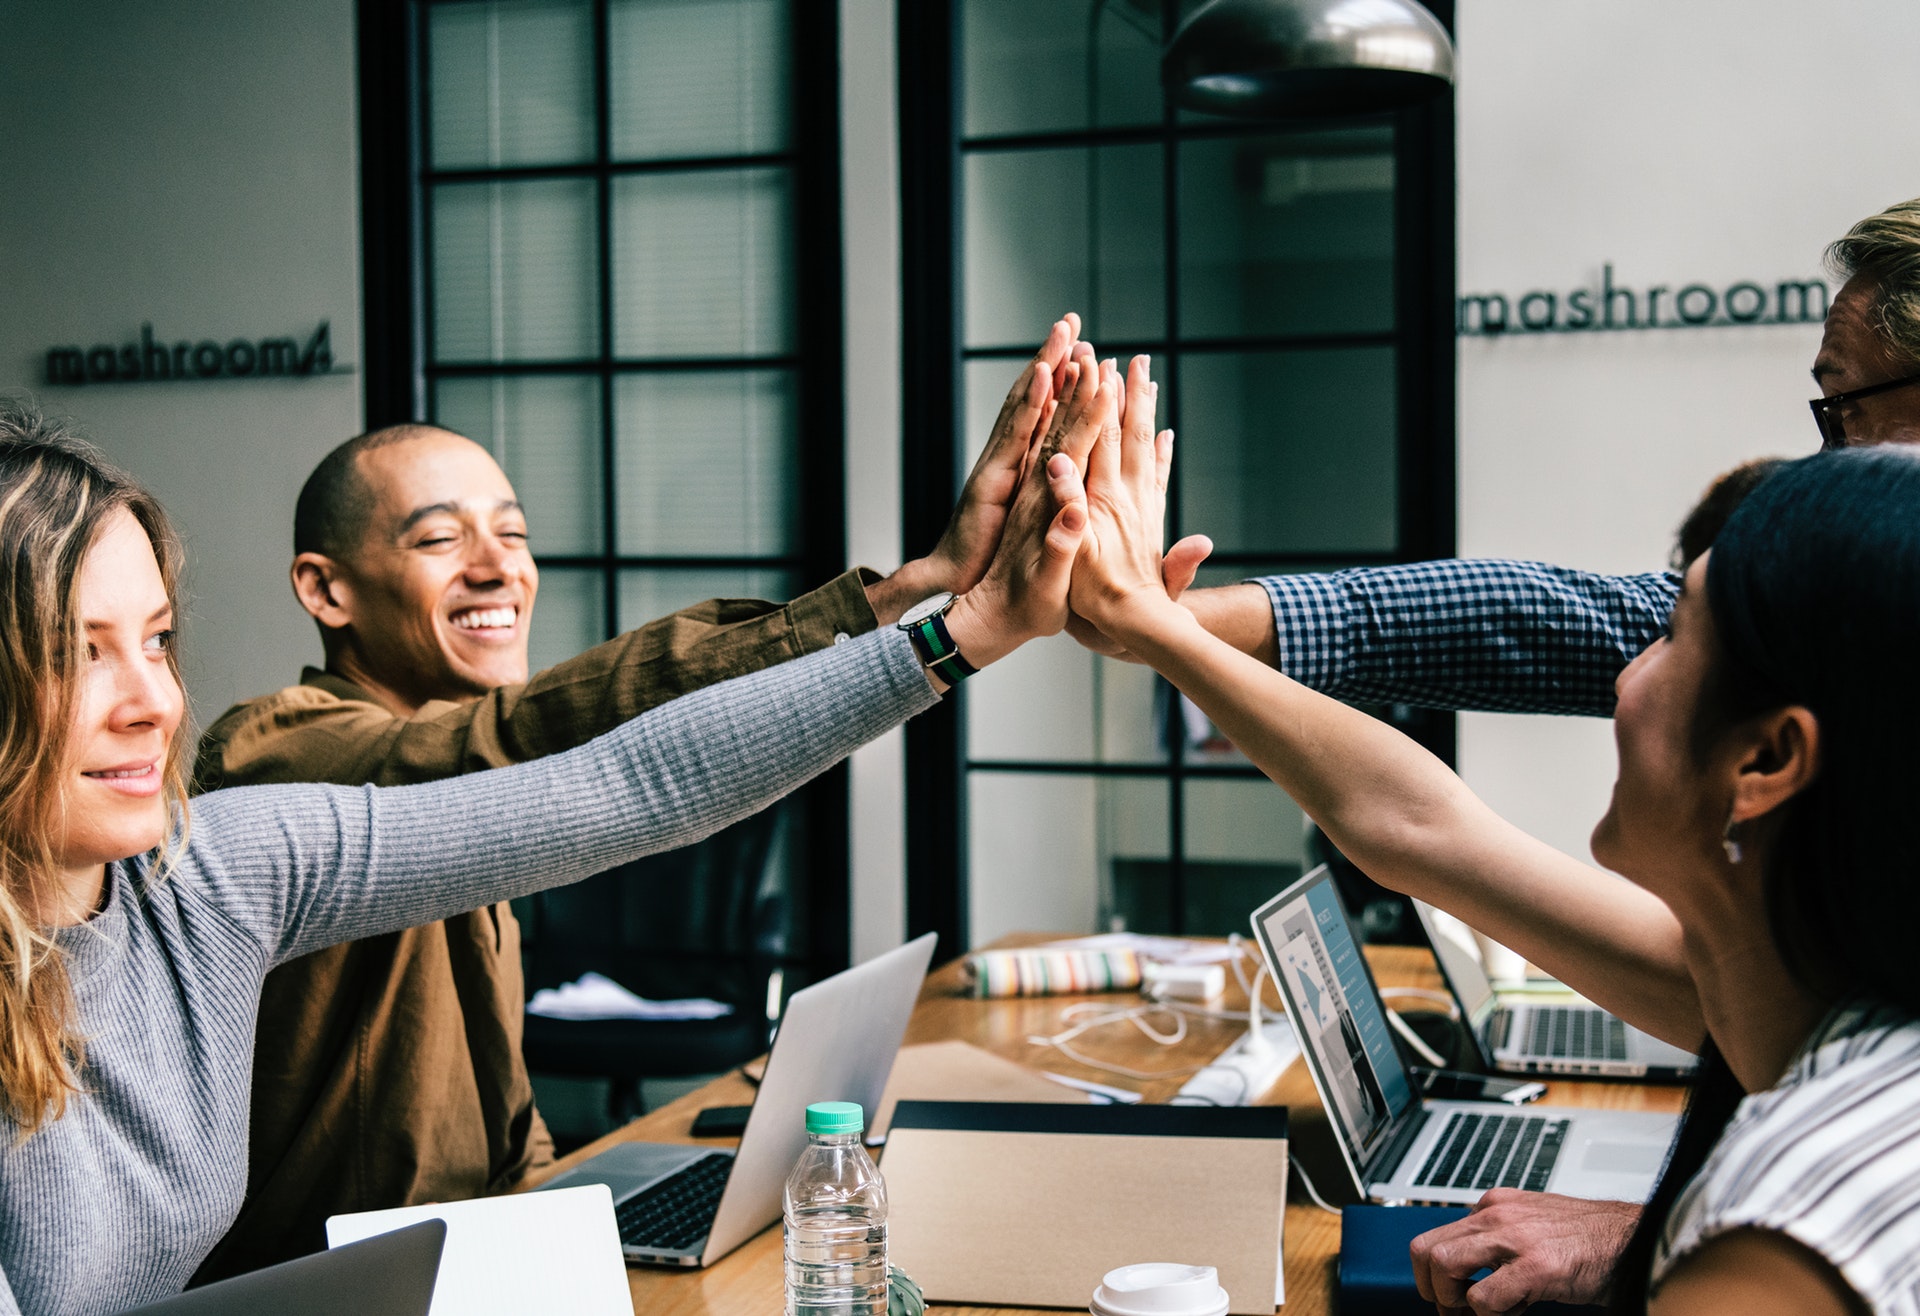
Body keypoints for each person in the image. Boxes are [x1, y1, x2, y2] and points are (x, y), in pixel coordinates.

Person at [0, 358, 1112, 1314]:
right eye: (80, 649)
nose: (152, 700)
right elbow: (530, 740)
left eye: (156, 640)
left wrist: (959, 630)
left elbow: (631, 783)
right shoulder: (283, 748)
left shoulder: (210, 873)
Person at [1068, 197, 1920, 1309]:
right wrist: (1159, 626)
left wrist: (1679, 1244)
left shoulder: (1805, 1209)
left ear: (1772, 757)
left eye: (1673, 639)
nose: (1620, 665)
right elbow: (1427, 820)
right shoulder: (1827, 1004)